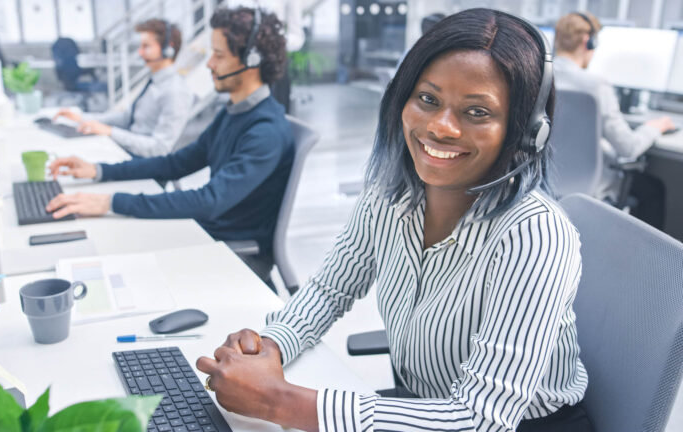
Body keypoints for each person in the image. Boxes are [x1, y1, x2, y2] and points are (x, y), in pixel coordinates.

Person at [196, 8, 592, 432]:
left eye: (477, 112)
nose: (440, 127)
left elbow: (481, 419)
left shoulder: (535, 234)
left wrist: (279, 401)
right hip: (418, 408)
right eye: (428, 99)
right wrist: (271, 345)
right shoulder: (390, 195)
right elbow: (330, 290)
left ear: (526, 130)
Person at [45, 7, 294, 285]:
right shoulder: (233, 112)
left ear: (252, 61)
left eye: (219, 55)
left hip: (234, 256)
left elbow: (210, 200)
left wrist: (110, 202)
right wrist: (98, 171)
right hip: (204, 235)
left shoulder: (265, 131)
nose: (209, 64)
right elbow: (174, 164)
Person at [553, 11, 675, 228]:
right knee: (654, 188)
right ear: (586, 41)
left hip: (546, 182)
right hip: (591, 187)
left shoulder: (541, 76)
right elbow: (628, 148)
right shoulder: (596, 86)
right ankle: (649, 259)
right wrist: (654, 127)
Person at [54, 19, 192, 158]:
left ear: (168, 48)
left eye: (146, 46)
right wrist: (82, 118)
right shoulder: (154, 82)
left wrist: (109, 132)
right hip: (129, 152)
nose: (140, 52)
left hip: (144, 163)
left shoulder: (175, 91)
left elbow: (160, 148)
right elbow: (127, 118)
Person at [231, 0, 305, 114]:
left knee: (275, 115)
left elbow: (297, 37)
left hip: (274, 64)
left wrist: (274, 41)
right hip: (244, 65)